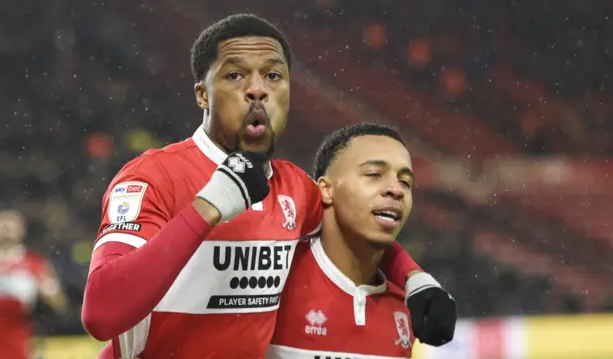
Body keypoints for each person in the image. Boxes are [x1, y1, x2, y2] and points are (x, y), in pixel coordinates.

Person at [82, 14, 456, 359]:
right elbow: (101, 315)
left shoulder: (294, 187)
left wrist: (415, 279)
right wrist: (206, 208)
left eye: (273, 76)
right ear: (202, 95)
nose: (257, 90)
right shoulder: (152, 177)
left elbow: (357, 225)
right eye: (235, 76)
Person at [269, 123, 449, 358]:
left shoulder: (409, 305)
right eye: (374, 174)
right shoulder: (273, 277)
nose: (397, 190)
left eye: (405, 182)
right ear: (326, 189)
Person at [0, 208, 69, 359]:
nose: (6, 229)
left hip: (19, 344)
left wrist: (49, 292)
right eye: (1, 223)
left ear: (21, 229)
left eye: (10, 224)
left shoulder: (35, 264)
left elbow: (59, 304)